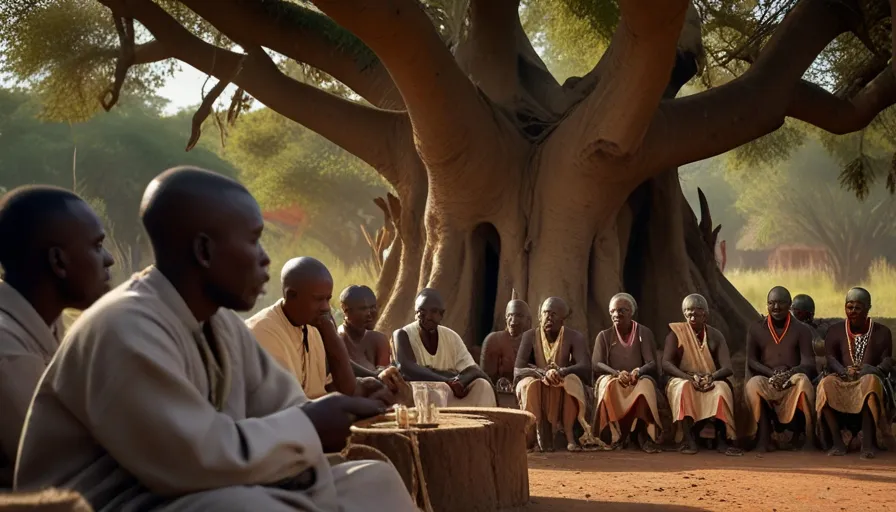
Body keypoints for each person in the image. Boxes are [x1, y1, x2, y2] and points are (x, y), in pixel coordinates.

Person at [14, 167, 416, 511]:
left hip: (204, 488)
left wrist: (341, 409)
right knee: (245, 507)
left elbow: (283, 407)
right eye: (254, 240)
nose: (265, 259)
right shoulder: (124, 326)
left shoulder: (220, 324)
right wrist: (307, 426)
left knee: (370, 481)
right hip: (119, 501)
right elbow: (190, 459)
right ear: (204, 250)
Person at [0, 186, 113, 489]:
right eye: (97, 245)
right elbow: (60, 468)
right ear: (58, 262)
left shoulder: (46, 325)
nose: (110, 259)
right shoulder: (7, 352)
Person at [246, 257, 359, 400]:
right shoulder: (263, 332)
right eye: (318, 299)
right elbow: (283, 405)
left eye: (327, 299)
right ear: (291, 295)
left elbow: (345, 388)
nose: (326, 307)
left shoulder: (313, 326)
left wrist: (330, 333)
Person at [514, 297, 602, 452]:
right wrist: (544, 373)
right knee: (530, 384)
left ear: (563, 319)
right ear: (539, 316)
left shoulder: (574, 337)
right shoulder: (529, 336)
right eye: (546, 313)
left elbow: (585, 366)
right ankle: (532, 434)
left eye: (554, 314)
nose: (549, 318)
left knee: (571, 382)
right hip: (537, 379)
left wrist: (561, 371)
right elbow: (518, 369)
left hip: (561, 379)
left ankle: (569, 435)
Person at [816, 287, 894, 459]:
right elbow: (830, 357)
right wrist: (843, 371)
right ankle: (837, 442)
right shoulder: (835, 330)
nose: (852, 311)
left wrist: (871, 369)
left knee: (870, 383)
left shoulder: (882, 332)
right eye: (849, 307)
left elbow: (887, 360)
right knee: (825, 385)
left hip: (869, 377)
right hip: (843, 378)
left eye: (857, 308)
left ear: (868, 308)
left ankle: (867, 445)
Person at [662, 294, 742, 456]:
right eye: (688, 313)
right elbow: (666, 364)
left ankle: (722, 439)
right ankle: (688, 439)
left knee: (721, 390)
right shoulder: (676, 333)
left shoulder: (715, 336)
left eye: (696, 314)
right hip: (683, 377)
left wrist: (711, 377)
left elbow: (727, 368)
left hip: (710, 378)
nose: (692, 317)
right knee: (683, 388)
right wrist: (688, 378)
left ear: (705, 315)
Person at [393, 288, 496, 407]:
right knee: (438, 389)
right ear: (415, 313)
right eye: (422, 311)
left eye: (433, 312)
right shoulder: (402, 334)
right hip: (419, 393)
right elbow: (406, 368)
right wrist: (446, 380)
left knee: (482, 385)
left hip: (450, 391)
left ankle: (482, 421)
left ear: (441, 314)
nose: (427, 317)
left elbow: (472, 369)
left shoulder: (451, 337)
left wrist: (459, 381)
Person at [744, 286, 816, 452]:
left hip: (792, 379)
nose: (776, 307)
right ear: (767, 305)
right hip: (768, 379)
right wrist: (772, 374)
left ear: (790, 304)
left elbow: (808, 363)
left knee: (804, 382)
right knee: (753, 384)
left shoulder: (802, 330)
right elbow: (752, 361)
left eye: (781, 303)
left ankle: (808, 437)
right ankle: (763, 437)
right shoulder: (756, 328)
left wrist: (789, 374)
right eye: (771, 303)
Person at [592, 293, 662, 453]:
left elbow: (651, 363)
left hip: (637, 378)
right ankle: (617, 435)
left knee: (645, 386)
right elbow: (596, 363)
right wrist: (616, 373)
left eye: (622, 310)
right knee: (609, 385)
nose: (617, 314)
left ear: (631, 312)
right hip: (615, 377)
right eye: (613, 311)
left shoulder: (643, 333)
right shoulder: (604, 336)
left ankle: (643, 435)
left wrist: (638, 371)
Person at [338, 285, 411, 405]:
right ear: (345, 310)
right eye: (362, 308)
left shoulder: (378, 339)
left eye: (373, 307)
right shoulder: (338, 338)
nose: (369, 313)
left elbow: (384, 378)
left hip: (376, 393)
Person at [480, 293, 532, 392]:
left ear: (528, 321)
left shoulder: (534, 342)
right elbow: (487, 377)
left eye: (519, 316)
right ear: (505, 318)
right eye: (510, 315)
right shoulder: (494, 340)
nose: (513, 321)